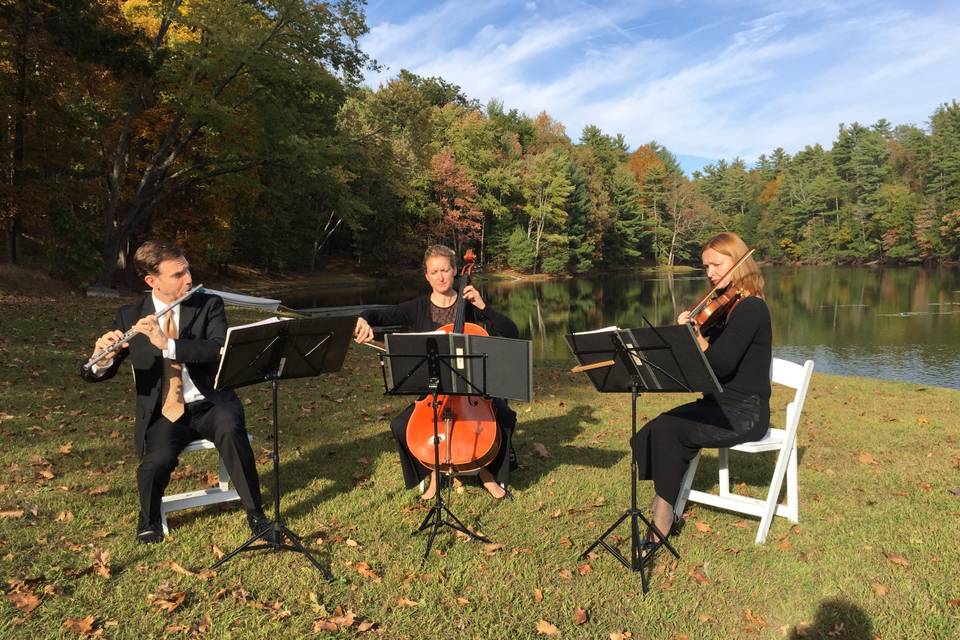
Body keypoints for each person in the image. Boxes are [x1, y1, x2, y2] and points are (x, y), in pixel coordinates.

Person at [81, 241, 273, 543]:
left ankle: (256, 513)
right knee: (156, 460)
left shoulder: (208, 304)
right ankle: (149, 518)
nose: (188, 280)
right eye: (178, 274)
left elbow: (217, 348)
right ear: (152, 281)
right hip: (165, 411)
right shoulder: (130, 315)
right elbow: (95, 374)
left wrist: (168, 345)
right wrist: (101, 361)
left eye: (188, 270)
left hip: (209, 402)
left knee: (231, 428)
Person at [631, 232, 771, 548]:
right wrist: (684, 335)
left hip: (745, 412)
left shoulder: (752, 309)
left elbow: (720, 365)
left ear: (738, 262)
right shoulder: (721, 309)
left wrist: (697, 339)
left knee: (668, 430)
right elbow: (696, 367)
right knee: (652, 430)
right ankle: (666, 510)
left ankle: (662, 521)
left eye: (716, 265)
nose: (710, 273)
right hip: (717, 405)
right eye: (706, 267)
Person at [353, 244, 519, 500]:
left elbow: (511, 332)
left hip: (472, 390)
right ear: (427, 276)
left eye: (445, 270)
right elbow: (377, 314)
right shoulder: (417, 307)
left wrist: (484, 307)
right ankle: (432, 470)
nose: (440, 277)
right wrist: (363, 319)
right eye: (434, 272)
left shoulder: (470, 305)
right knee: (399, 426)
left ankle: (488, 472)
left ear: (455, 271)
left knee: (505, 416)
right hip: (434, 393)